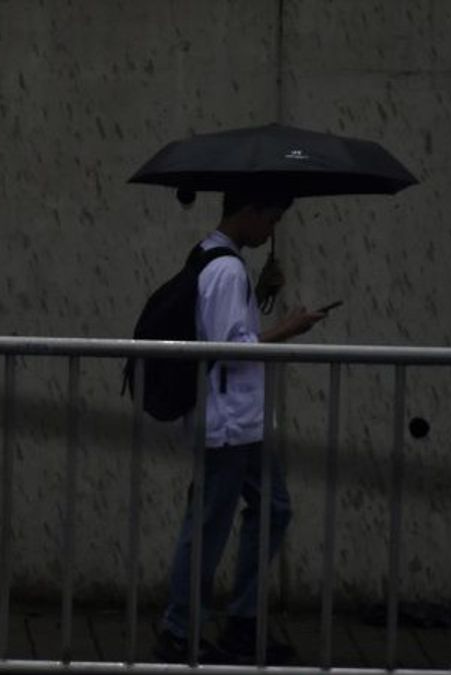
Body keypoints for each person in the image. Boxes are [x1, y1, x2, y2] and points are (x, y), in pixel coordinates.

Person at [154, 189, 326, 664]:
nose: (271, 231)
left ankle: (242, 623)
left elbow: (229, 330)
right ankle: (179, 630)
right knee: (210, 523)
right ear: (249, 213)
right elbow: (233, 346)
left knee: (272, 508)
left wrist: (262, 298)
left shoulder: (211, 256)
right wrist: (289, 327)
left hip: (240, 420)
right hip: (228, 420)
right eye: (270, 219)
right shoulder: (227, 269)